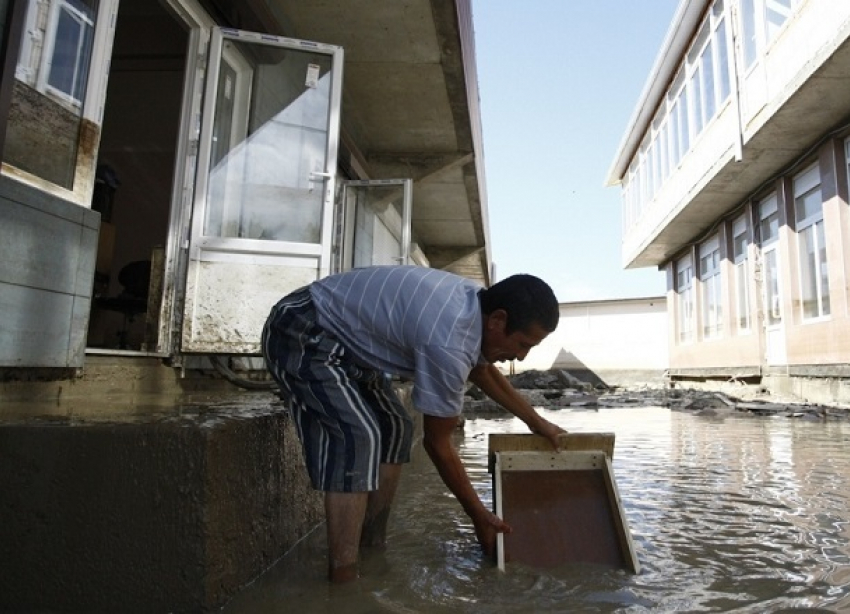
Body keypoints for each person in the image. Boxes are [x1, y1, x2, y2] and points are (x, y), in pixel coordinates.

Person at [261, 265, 564, 582]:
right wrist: (479, 516)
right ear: (498, 320)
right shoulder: (449, 340)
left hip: (349, 347)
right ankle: (344, 577)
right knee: (358, 435)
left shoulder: (475, 308)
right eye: (523, 344)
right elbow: (437, 444)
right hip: (300, 329)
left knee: (396, 428)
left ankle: (372, 547)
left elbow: (482, 370)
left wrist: (537, 422)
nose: (522, 357)